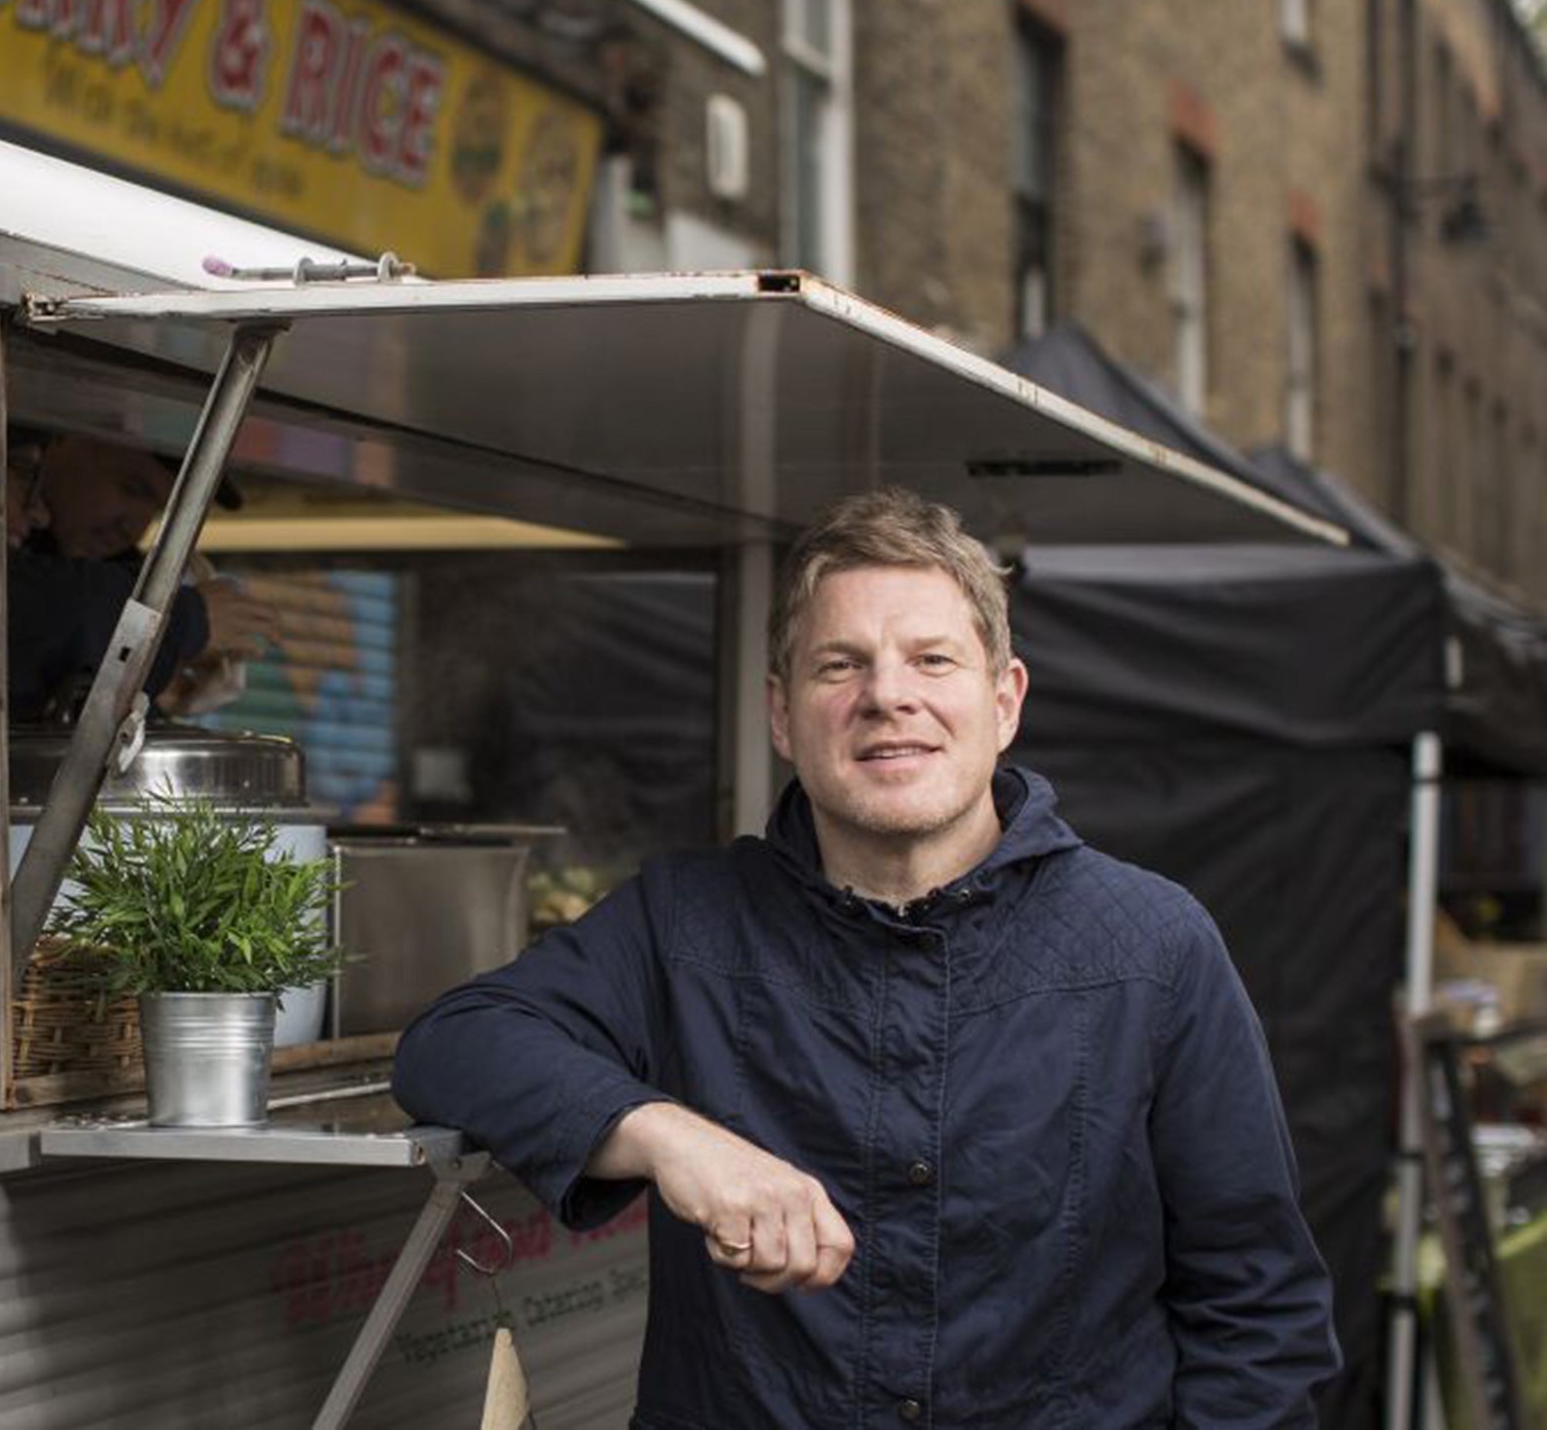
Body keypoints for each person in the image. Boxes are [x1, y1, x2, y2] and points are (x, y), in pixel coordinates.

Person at [392, 488, 1339, 1429]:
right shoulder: (685, 920)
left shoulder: (1153, 948)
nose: (888, 697)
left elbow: (1257, 1315)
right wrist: (670, 1136)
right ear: (781, 714)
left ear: (1004, 700)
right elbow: (455, 1041)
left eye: (932, 659)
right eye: (840, 665)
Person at [6, 431, 280, 720]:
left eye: (157, 509)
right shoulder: (6, 555)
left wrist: (160, 694)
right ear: (64, 442)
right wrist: (179, 623)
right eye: (132, 489)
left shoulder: (118, 571)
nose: (134, 527)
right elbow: (16, 604)